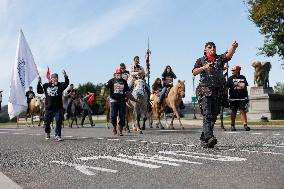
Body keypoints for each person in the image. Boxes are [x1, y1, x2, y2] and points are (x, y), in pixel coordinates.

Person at [192, 41, 238, 148]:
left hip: (218, 91)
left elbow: (228, 55)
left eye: (214, 47)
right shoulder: (201, 60)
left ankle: (204, 138)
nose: (212, 48)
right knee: (207, 114)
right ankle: (210, 137)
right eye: (209, 47)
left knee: (214, 115)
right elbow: (194, 72)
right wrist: (204, 68)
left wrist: (233, 47)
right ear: (205, 50)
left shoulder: (219, 58)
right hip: (205, 91)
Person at [37, 70, 69, 141]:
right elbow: (39, 91)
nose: (55, 79)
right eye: (54, 78)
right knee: (47, 122)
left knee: (58, 121)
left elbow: (67, 83)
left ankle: (57, 135)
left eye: (56, 78)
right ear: (51, 79)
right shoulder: (46, 85)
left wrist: (65, 75)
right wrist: (39, 82)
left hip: (58, 108)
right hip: (49, 108)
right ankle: (47, 132)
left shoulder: (60, 85)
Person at [105, 68, 136, 136]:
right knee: (113, 116)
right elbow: (106, 86)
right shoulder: (112, 80)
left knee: (122, 116)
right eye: (117, 74)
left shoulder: (124, 81)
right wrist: (105, 87)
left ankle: (120, 130)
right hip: (114, 101)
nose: (119, 75)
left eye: (120, 74)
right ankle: (114, 127)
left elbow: (127, 92)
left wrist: (133, 99)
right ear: (115, 74)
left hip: (122, 101)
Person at [226, 65, 250, 131]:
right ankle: (232, 125)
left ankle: (245, 125)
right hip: (233, 98)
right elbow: (226, 87)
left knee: (243, 111)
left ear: (238, 70)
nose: (232, 71)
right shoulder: (230, 78)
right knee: (233, 111)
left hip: (242, 98)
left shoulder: (243, 77)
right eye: (232, 70)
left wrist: (247, 96)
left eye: (234, 70)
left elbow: (244, 86)